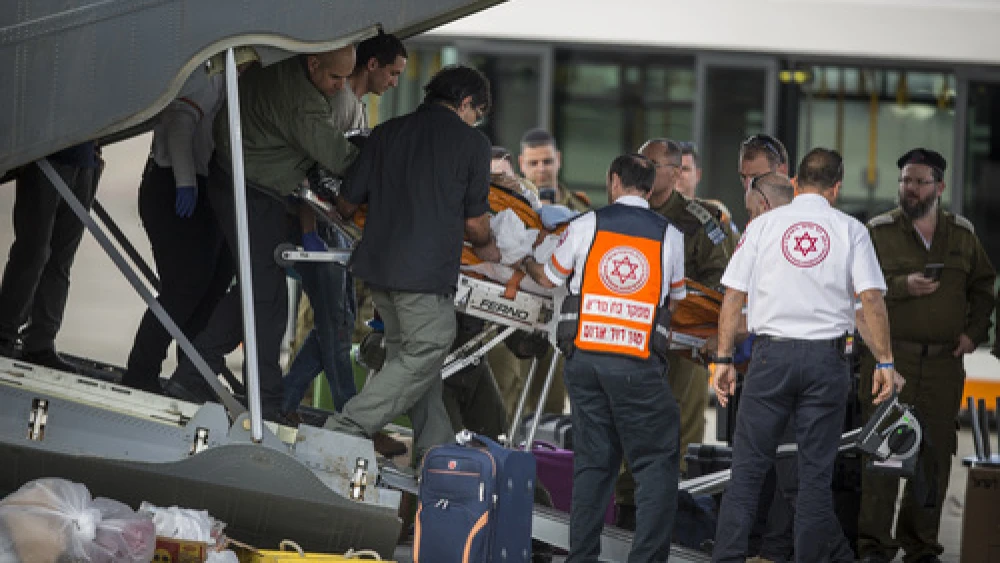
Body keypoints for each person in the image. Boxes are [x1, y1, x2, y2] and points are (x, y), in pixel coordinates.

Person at [711, 148, 903, 562]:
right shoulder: (851, 230)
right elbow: (869, 299)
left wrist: (723, 360)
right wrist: (885, 362)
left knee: (746, 475)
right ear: (836, 188)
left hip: (769, 360)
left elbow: (732, 296)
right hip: (825, 364)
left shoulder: (763, 228)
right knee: (814, 483)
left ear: (795, 182)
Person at [162, 46, 360, 422]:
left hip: (250, 185)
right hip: (251, 192)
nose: (340, 87)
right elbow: (342, 159)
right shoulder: (302, 103)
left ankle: (196, 374)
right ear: (315, 64)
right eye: (336, 78)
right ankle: (264, 403)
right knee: (266, 303)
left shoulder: (289, 71)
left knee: (256, 293)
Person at [324, 65, 500, 461]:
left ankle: (435, 450)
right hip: (424, 273)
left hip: (378, 269)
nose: (477, 121)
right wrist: (489, 248)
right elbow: (475, 222)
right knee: (430, 348)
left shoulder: (388, 131)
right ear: (467, 103)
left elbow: (348, 202)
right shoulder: (472, 145)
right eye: (478, 112)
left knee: (412, 360)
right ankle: (347, 427)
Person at [522, 153, 686, 562]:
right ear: (650, 191)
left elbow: (548, 277)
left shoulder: (586, 224)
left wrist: (524, 258)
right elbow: (676, 300)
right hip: (637, 367)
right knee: (654, 466)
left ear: (613, 181)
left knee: (593, 467)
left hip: (586, 361)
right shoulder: (670, 235)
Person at [857, 148, 996, 563]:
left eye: (919, 181)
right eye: (905, 181)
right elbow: (860, 289)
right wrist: (902, 285)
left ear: (939, 186)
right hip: (889, 362)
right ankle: (874, 546)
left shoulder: (963, 236)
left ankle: (920, 545)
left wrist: (974, 333)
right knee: (882, 454)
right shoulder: (878, 232)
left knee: (934, 455)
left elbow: (985, 287)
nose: (910, 188)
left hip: (942, 366)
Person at [283, 33, 408, 416]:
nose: (394, 83)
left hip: (331, 224)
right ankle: (351, 418)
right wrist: (309, 231)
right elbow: (309, 171)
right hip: (319, 222)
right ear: (371, 66)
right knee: (336, 326)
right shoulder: (340, 105)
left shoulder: (354, 108)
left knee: (338, 323)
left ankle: (283, 401)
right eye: (392, 73)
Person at [610, 138, 729, 529]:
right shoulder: (623, 212)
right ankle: (628, 510)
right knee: (628, 423)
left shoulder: (699, 220)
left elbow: (719, 284)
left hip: (680, 347)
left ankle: (664, 518)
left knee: (672, 431)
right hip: (630, 339)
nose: (643, 168)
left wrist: (679, 297)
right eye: (641, 161)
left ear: (677, 174)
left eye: (653, 164)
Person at [122, 70, 236, 394]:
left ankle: (191, 376)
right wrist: (185, 182)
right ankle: (141, 372)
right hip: (174, 184)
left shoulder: (238, 80)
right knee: (184, 287)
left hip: (208, 189)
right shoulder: (209, 76)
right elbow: (179, 124)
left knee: (211, 290)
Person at [0, 142, 102, 373]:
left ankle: (40, 341)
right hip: (48, 155)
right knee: (33, 253)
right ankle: (6, 333)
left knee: (60, 260)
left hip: (84, 162)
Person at [680, 141, 740, 255]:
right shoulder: (653, 211)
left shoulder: (716, 212)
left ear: (698, 175)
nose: (679, 174)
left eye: (685, 169)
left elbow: (735, 250)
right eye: (675, 169)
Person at [518, 128, 591, 212]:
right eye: (533, 163)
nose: (541, 169)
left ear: (558, 159)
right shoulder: (512, 207)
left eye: (547, 161)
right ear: (521, 164)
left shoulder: (579, 206)